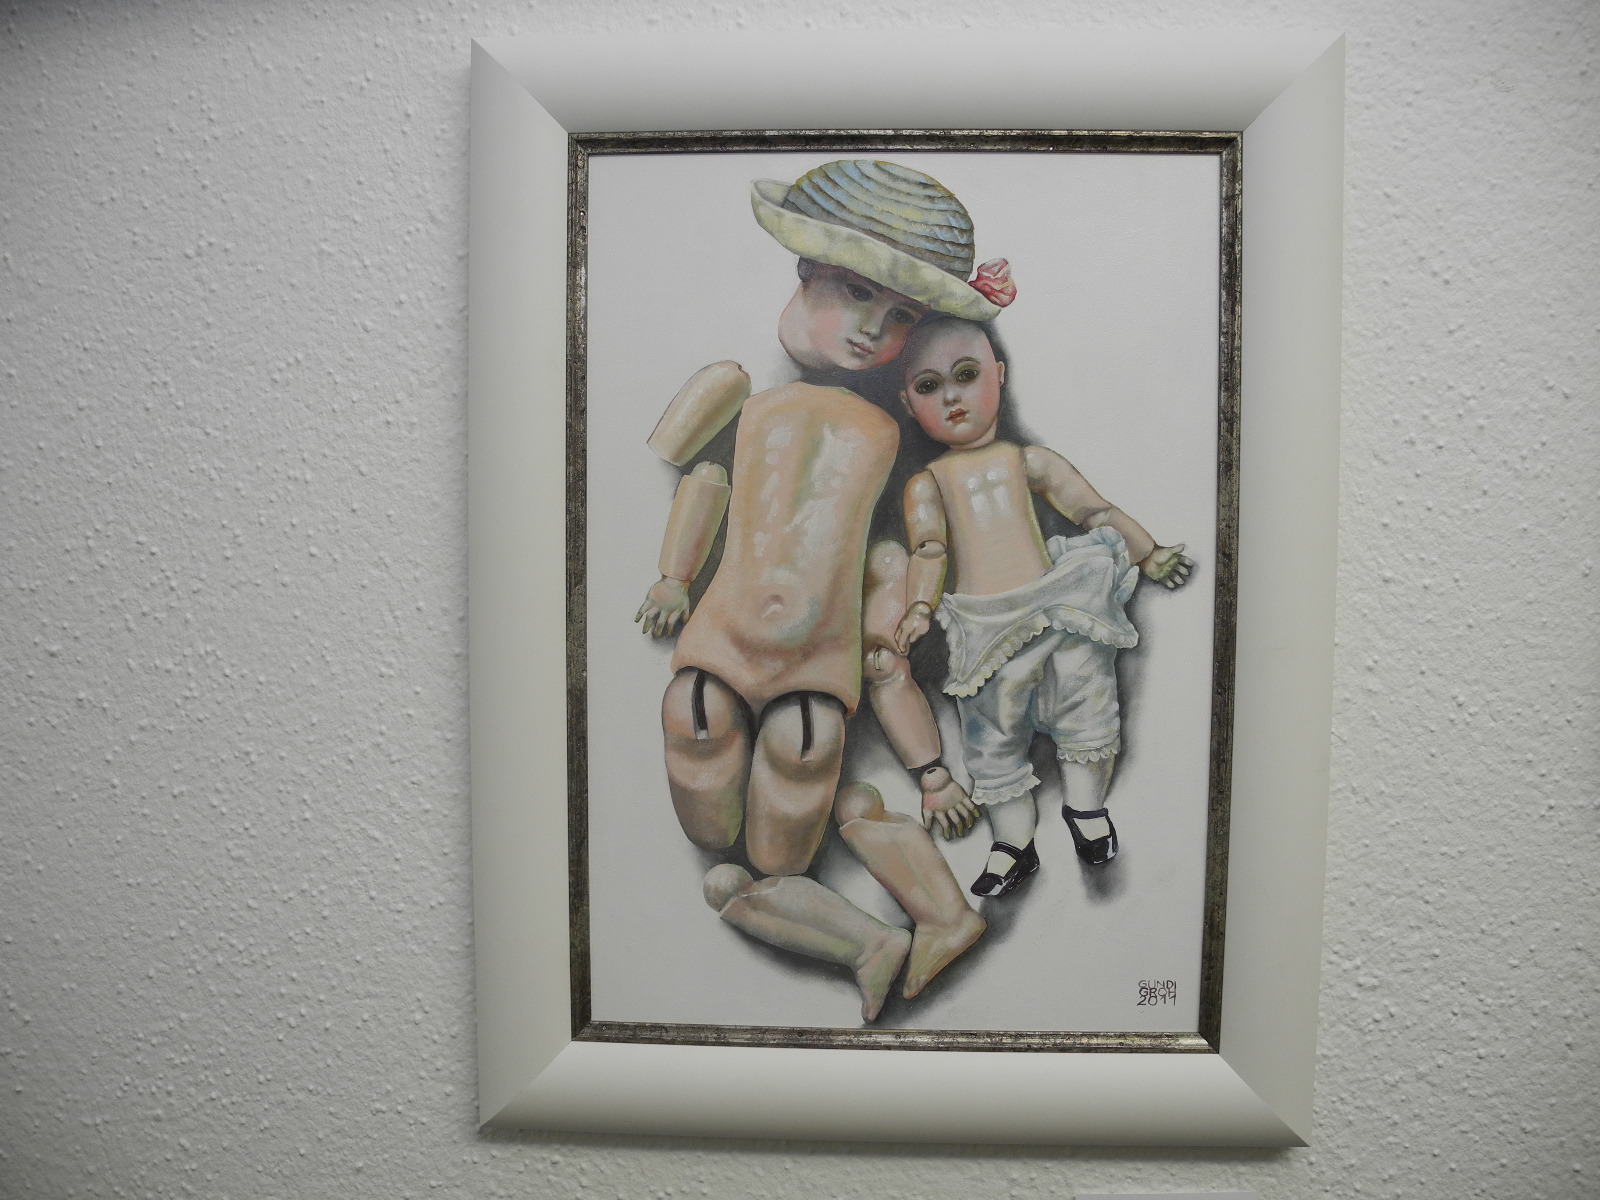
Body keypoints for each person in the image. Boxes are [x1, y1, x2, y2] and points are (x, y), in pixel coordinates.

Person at [633, 161, 1011, 1018]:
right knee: (699, 745)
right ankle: (880, 928)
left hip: (819, 667)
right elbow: (701, 481)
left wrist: (899, 632)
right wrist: (672, 576)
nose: (874, 328)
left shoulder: (895, 432)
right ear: (805, 270)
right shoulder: (737, 395)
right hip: (718, 643)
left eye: (901, 316)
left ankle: (876, 930)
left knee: (789, 807)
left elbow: (900, 550)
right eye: (856, 292)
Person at [890, 317, 1194, 899]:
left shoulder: (1027, 460)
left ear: (998, 375)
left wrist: (1148, 551)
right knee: (991, 737)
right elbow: (928, 548)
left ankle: (1086, 810)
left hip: (1057, 610)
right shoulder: (927, 483)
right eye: (929, 387)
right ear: (908, 402)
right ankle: (1013, 842)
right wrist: (919, 607)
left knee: (1086, 705)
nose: (951, 397)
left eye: (966, 375)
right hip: (985, 628)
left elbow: (1094, 511)